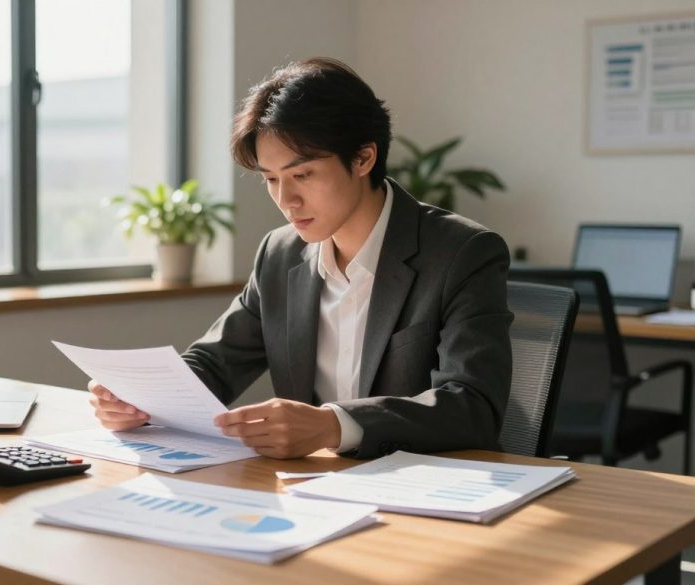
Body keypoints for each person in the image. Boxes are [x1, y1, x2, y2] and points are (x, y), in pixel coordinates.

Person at [88, 57, 513, 460]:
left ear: (364, 157)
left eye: (302, 175)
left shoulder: (461, 253)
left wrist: (333, 426)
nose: (286, 200)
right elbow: (215, 364)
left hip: (421, 489)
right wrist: (141, 400)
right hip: (313, 488)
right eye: (271, 179)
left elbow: (472, 406)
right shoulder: (280, 252)